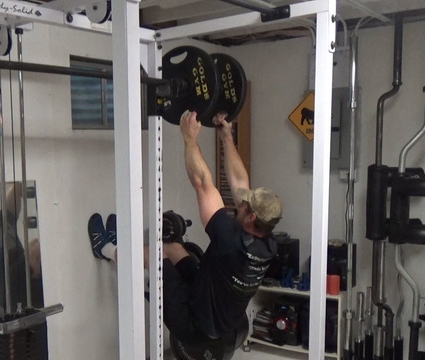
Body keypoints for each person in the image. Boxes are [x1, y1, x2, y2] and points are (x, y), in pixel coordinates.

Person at [88, 110, 282, 344]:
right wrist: (227, 138)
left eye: (244, 207)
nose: (238, 205)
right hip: (210, 303)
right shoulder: (267, 242)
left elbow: (202, 183)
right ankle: (130, 254)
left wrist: (189, 138)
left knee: (153, 254)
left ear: (251, 217)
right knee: (172, 247)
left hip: (192, 322)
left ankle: (106, 249)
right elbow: (241, 184)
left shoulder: (230, 241)